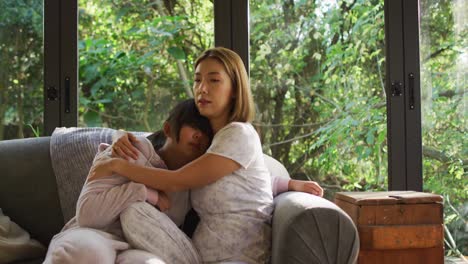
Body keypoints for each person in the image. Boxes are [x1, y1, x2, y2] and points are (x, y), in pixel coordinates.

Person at [88, 47, 323, 263]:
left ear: (234, 90)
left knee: (134, 211)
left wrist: (117, 166)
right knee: (134, 224)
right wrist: (118, 136)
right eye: (198, 80)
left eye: (214, 80)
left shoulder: (238, 134)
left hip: (238, 258)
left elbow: (177, 180)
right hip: (200, 254)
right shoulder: (211, 142)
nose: (202, 88)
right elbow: (242, 184)